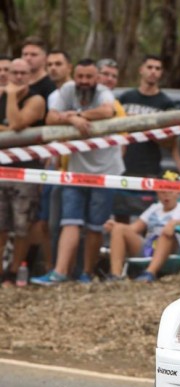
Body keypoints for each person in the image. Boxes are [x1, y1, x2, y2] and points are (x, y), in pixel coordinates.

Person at [32, 59, 124, 285]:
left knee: (95, 225)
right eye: (80, 76)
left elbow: (107, 110)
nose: (84, 82)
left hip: (105, 171)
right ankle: (60, 272)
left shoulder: (104, 92)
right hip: (75, 169)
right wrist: (71, 118)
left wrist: (81, 116)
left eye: (89, 77)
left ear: (97, 78)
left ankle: (87, 273)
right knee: (69, 221)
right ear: (75, 75)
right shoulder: (67, 90)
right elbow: (51, 117)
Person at [117, 55, 180, 221]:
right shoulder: (126, 98)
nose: (153, 72)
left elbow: (170, 140)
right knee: (120, 217)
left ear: (161, 73)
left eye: (157, 68)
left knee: (146, 219)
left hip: (149, 168)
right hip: (122, 165)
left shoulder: (166, 103)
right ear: (141, 70)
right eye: (149, 67)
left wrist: (142, 125)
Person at [0, 58, 46, 287]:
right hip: (2, 170)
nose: (17, 77)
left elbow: (17, 124)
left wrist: (9, 95)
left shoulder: (36, 99)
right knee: (1, 225)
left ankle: (13, 271)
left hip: (26, 172)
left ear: (30, 75)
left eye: (23, 73)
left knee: (21, 227)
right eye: (13, 72)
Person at [104, 190, 180, 282]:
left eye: (170, 192)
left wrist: (175, 223)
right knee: (119, 229)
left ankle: (149, 273)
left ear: (178, 193)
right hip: (149, 248)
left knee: (165, 234)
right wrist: (114, 226)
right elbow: (134, 228)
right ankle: (116, 276)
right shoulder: (154, 208)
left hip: (174, 248)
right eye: (163, 192)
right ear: (157, 193)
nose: (166, 195)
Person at [21, 36, 56, 104]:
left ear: (45, 58)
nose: (28, 58)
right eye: (25, 54)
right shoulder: (16, 82)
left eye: (33, 55)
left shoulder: (51, 85)